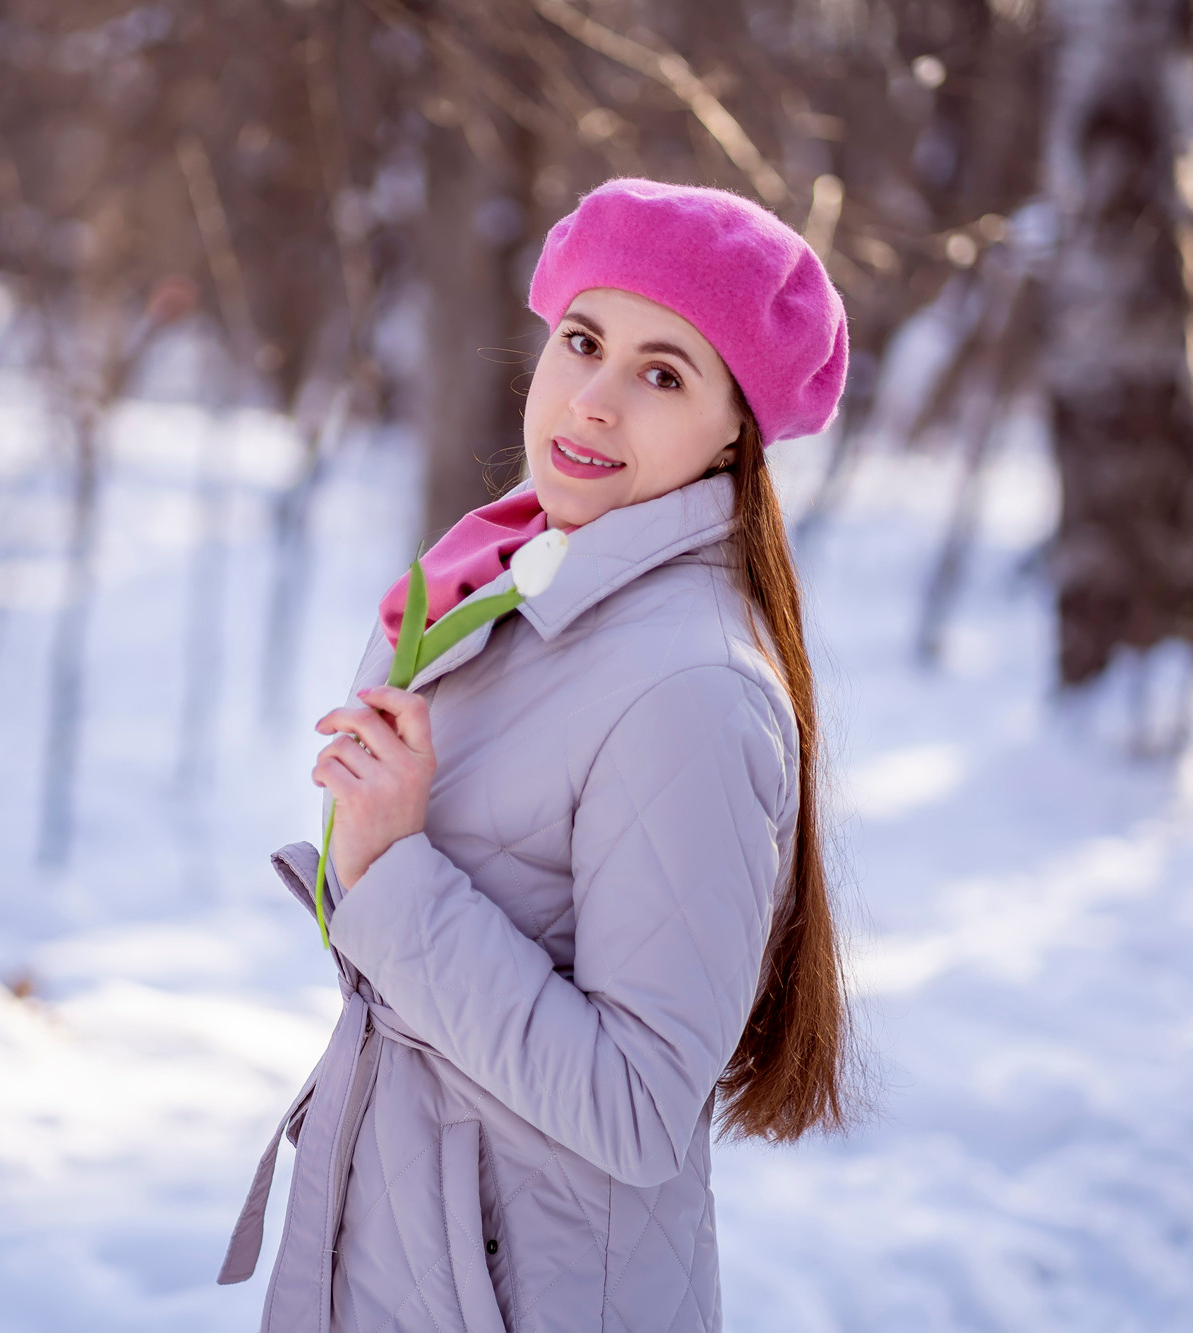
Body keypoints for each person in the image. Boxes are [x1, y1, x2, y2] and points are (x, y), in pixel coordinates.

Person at [219, 177, 854, 1333]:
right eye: (581, 341)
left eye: (662, 373)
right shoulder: (502, 588)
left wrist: (394, 871)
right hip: (396, 1255)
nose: (593, 401)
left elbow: (635, 1107)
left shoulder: (692, 692)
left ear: (733, 432)